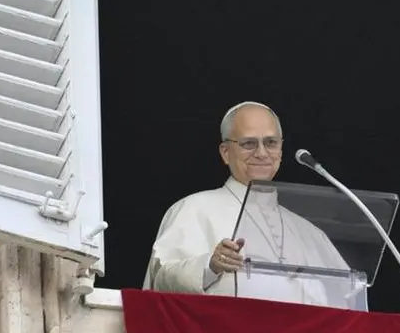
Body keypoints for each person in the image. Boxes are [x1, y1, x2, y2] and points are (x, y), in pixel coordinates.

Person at [143, 101, 354, 308]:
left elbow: (348, 297)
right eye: (248, 144)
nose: (261, 153)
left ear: (281, 150)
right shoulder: (193, 209)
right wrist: (210, 265)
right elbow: (160, 281)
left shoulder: (309, 232)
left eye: (271, 142)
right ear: (226, 152)